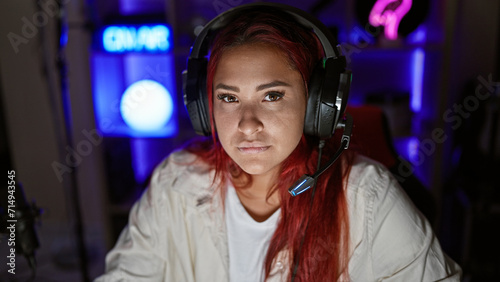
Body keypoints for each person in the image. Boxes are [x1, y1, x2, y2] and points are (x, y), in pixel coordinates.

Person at [96, 3, 461, 281]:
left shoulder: (367, 195)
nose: (247, 124)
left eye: (272, 96)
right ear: (204, 108)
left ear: (317, 104)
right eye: (228, 98)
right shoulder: (175, 183)